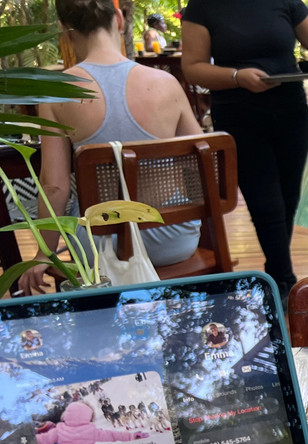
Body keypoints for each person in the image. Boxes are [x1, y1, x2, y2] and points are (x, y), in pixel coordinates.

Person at [180, 0, 308, 303]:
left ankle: (277, 273)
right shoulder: (203, 6)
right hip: (238, 115)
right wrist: (236, 76)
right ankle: (284, 280)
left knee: (287, 199)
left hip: (290, 112)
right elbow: (192, 68)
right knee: (265, 204)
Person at [18, 0, 203, 296]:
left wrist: (44, 253)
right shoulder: (166, 83)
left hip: (99, 247)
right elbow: (203, 165)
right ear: (118, 18)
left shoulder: (58, 93)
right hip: (174, 239)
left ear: (64, 29)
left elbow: (55, 187)